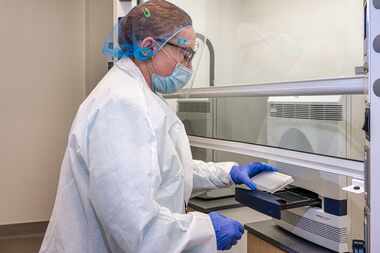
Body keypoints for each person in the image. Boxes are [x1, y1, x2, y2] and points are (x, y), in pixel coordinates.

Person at [39, 1, 276, 252]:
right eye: (186, 54)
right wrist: (205, 231)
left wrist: (227, 173)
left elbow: (164, 169)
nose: (188, 66)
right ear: (149, 46)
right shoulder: (121, 104)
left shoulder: (139, 95)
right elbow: (134, 225)